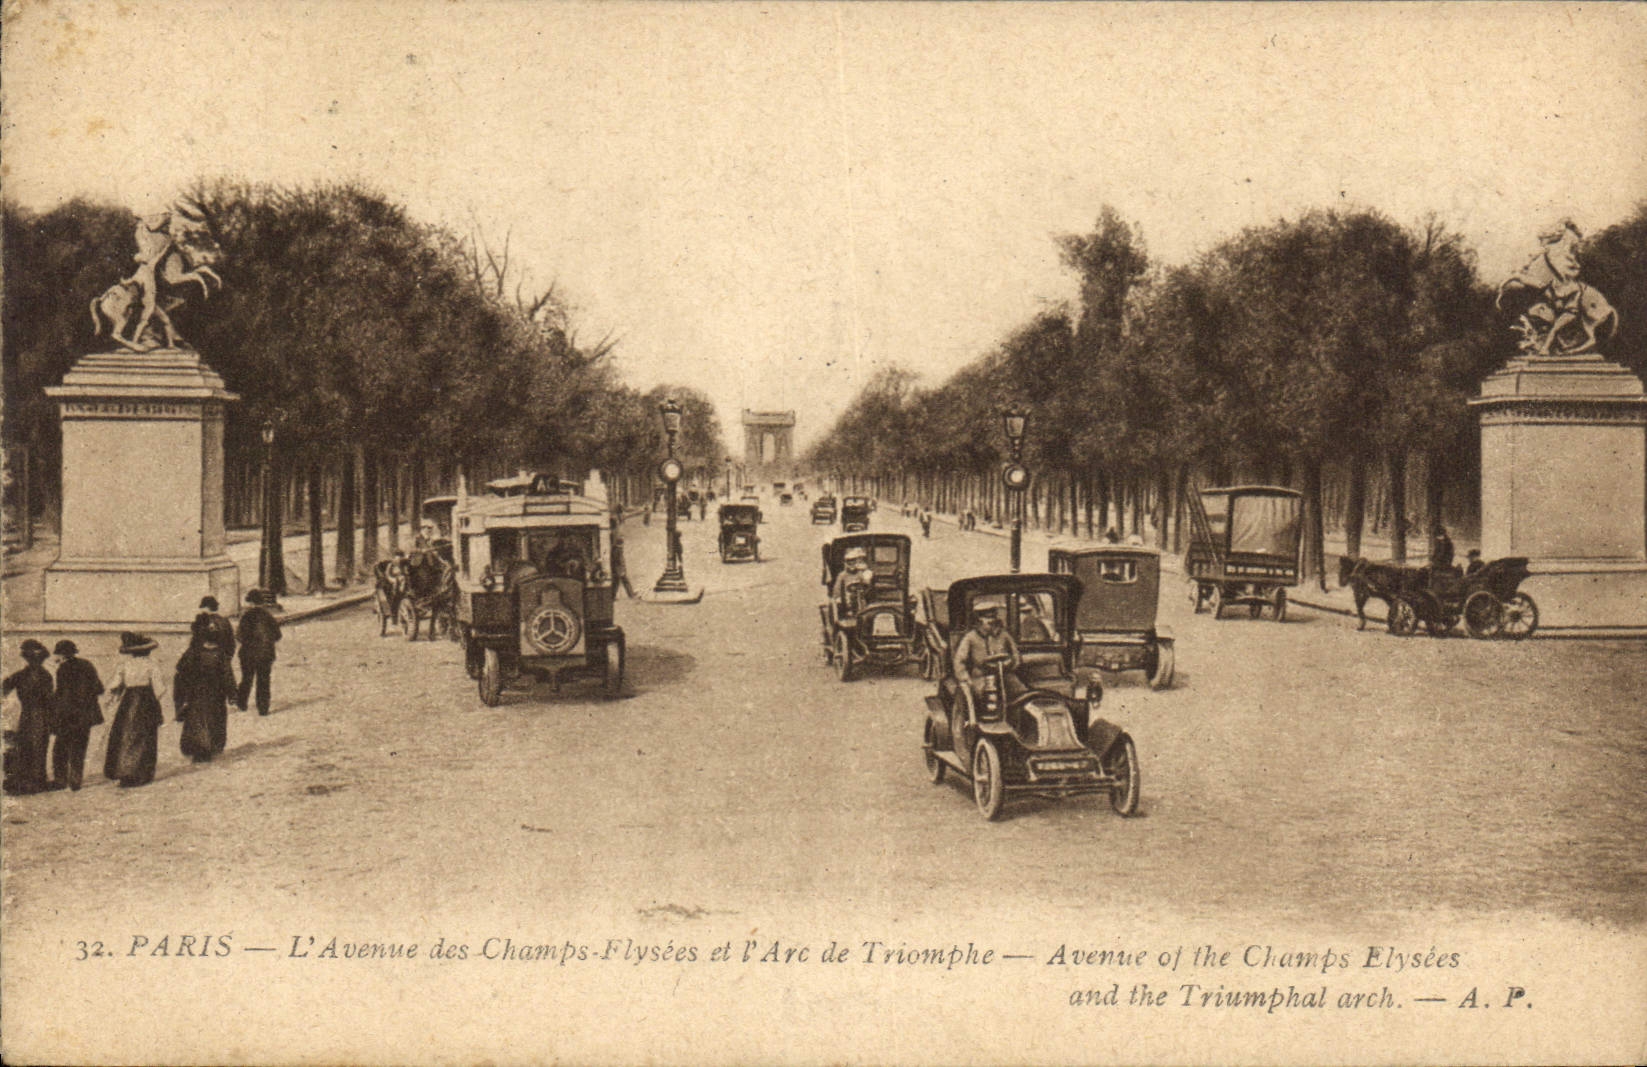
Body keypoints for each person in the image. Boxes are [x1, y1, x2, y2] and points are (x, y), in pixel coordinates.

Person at [103, 632, 167, 788]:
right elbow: (160, 689)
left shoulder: (124, 665)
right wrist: (154, 701)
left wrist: (113, 698)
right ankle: (140, 774)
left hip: (128, 702)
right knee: (145, 737)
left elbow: (115, 685)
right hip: (146, 701)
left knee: (125, 735)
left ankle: (124, 772)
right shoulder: (152, 665)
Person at [175, 615, 235, 763]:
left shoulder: (194, 652)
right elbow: (228, 676)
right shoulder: (221, 655)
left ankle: (197, 747)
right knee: (215, 718)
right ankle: (212, 746)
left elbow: (181, 668)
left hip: (196, 692)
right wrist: (232, 694)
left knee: (196, 719)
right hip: (216, 693)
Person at [49, 640, 104, 791]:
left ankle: (60, 780)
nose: (56, 657)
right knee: (79, 747)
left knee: (60, 748)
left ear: (62, 655)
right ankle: (75, 781)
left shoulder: (62, 669)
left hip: (68, 715)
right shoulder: (87, 665)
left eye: (58, 654)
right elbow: (99, 688)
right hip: (85, 715)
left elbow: (61, 694)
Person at [4, 639, 55, 793]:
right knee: (35, 747)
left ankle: (30, 780)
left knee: (30, 746)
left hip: (30, 714)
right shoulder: (44, 675)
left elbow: (5, 687)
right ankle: (34, 781)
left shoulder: (23, 675)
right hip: (37, 715)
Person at [951, 602, 1024, 704]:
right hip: (980, 677)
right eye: (988, 618)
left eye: (993, 617)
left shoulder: (1004, 635)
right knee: (987, 697)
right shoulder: (970, 638)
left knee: (1021, 692)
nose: (992, 620)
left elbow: (1016, 655)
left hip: (1005, 674)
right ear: (979, 620)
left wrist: (1011, 664)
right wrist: (965, 679)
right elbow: (959, 661)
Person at [236, 589, 283, 716]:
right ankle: (263, 708)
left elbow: (239, 637)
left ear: (250, 603)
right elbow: (278, 635)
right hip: (266, 654)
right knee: (264, 680)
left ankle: (241, 702)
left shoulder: (246, 617)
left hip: (248, 654)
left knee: (247, 678)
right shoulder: (268, 616)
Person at [611, 516, 636, 598]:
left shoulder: (613, 532)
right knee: (622, 577)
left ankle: (613, 595)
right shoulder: (616, 533)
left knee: (617, 579)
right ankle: (631, 594)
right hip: (617, 555)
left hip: (615, 555)